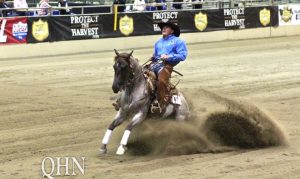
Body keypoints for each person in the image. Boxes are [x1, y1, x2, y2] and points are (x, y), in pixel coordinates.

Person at [150, 21, 187, 112]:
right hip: (155, 64)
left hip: (167, 65)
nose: (164, 29)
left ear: (172, 31)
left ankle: (162, 102)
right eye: (163, 27)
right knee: (139, 75)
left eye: (167, 27)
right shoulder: (158, 42)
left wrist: (169, 56)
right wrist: (153, 57)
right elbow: (155, 55)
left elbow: (183, 56)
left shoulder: (178, 41)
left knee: (161, 80)